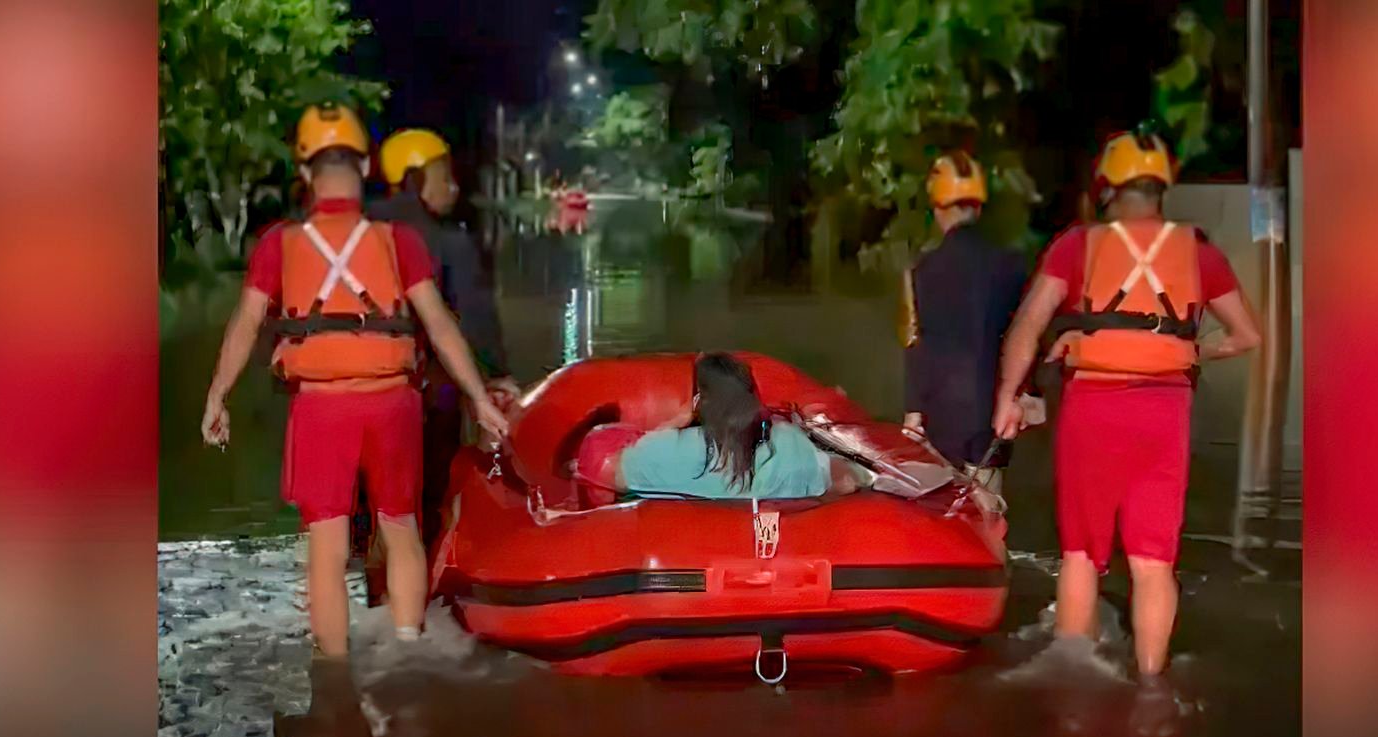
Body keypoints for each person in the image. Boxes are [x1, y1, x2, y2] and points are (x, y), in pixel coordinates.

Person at [200, 103, 510, 658]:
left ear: (303, 172)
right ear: (366, 166)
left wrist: (217, 395)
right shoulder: (399, 241)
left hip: (321, 409)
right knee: (402, 530)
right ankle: (411, 650)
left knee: (327, 544)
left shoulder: (278, 244)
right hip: (393, 404)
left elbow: (246, 324)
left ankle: (336, 673)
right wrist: (480, 397)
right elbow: (438, 324)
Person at [991, 128, 1261, 678]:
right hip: (1165, 415)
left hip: (1094, 408)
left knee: (1081, 556)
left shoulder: (1077, 245)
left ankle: (1070, 689)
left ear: (1109, 189)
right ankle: (1152, 685)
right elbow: (1246, 336)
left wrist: (1008, 398)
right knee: (1154, 562)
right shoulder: (1200, 253)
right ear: (1164, 187)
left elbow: (1027, 326)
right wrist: (1186, 350)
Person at [371, 127, 516, 549]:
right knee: (430, 496)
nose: (453, 187)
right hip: (426, 394)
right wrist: (495, 379)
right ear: (415, 180)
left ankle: (369, 584)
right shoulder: (449, 242)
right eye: (444, 176)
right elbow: (476, 320)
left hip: (351, 392)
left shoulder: (354, 232)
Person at [901, 151, 1031, 493]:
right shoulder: (1012, 264)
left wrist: (913, 411)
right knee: (989, 515)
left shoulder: (922, 270)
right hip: (992, 411)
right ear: (978, 206)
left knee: (947, 520)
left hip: (940, 415)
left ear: (938, 207)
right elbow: (1023, 334)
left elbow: (916, 343)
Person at [575, 354, 861, 501]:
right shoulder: (789, 444)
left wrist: (675, 422)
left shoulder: (666, 451)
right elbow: (847, 482)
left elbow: (603, 465)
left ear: (702, 401)